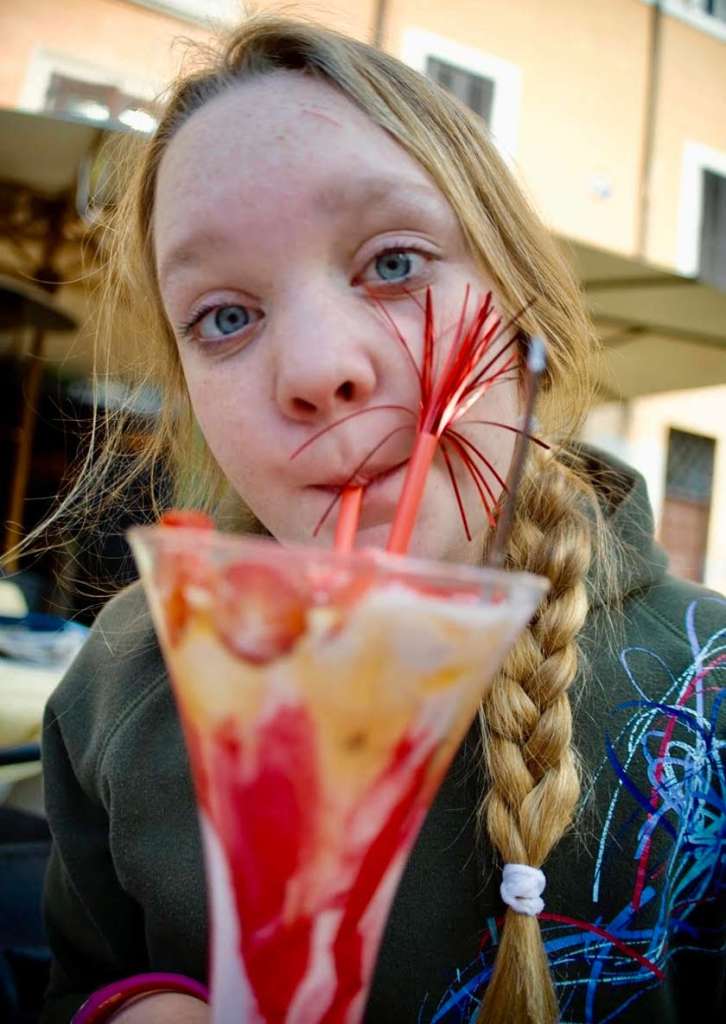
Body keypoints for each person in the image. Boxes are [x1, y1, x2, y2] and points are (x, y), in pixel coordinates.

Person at [38, 13, 725, 1024]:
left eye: (395, 262)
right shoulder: (125, 681)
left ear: (522, 303)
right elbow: (80, 969)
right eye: (225, 316)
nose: (321, 369)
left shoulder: (704, 696)